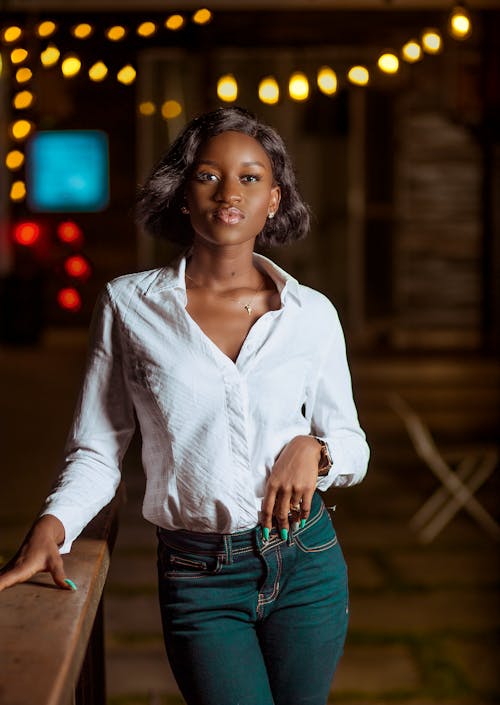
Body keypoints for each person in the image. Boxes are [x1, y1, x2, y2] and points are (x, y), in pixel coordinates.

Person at [0, 106, 369, 705]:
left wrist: (315, 450)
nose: (229, 192)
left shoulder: (312, 315)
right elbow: (99, 448)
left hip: (308, 562)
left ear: (274, 200)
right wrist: (54, 523)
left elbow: (353, 444)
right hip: (200, 578)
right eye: (208, 175)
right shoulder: (129, 306)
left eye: (250, 178)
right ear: (182, 193)